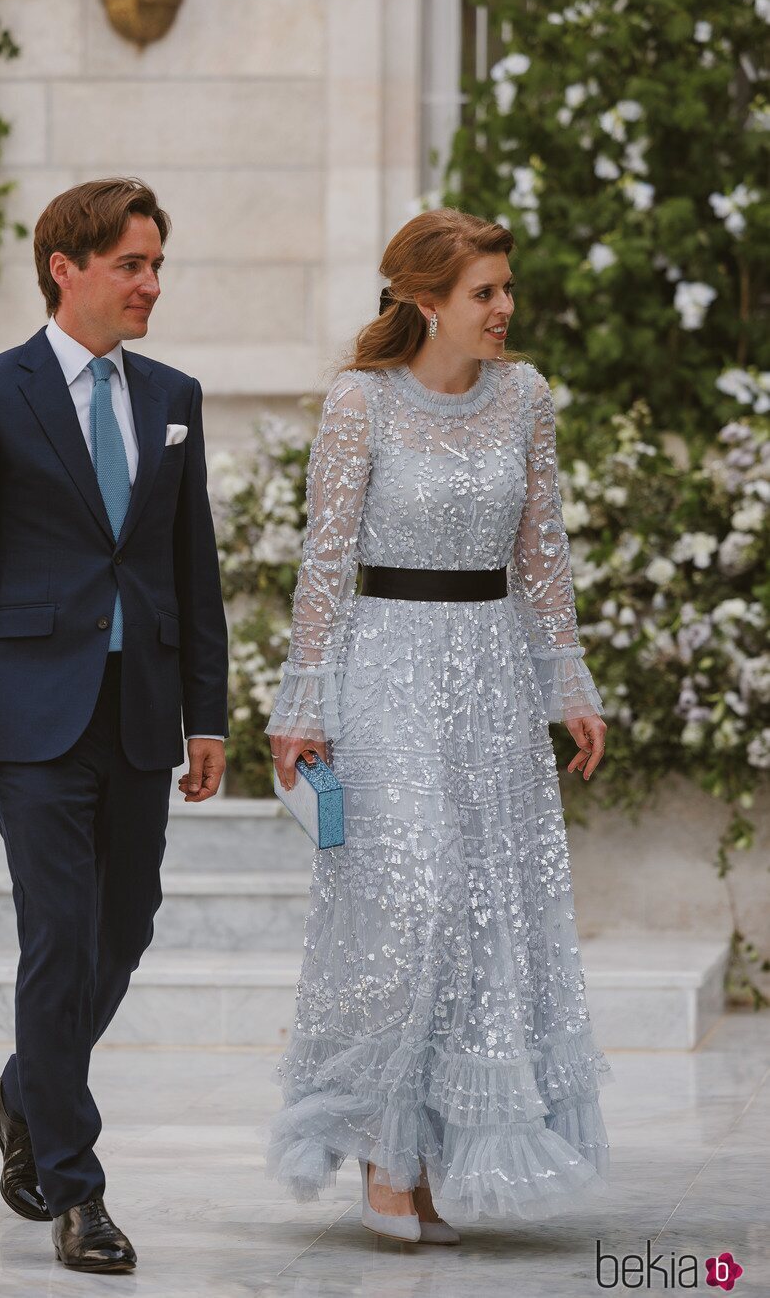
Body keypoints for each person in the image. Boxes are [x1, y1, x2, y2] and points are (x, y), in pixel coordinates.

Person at [266, 207, 611, 1243]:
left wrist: (571, 686)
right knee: (409, 902)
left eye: (505, 288)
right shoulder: (358, 401)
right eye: (483, 293)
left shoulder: (525, 397)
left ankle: (432, 1159)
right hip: (386, 669)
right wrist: (302, 703)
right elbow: (324, 561)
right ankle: (380, 1147)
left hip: (492, 673)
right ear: (425, 301)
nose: (504, 307)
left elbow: (540, 548)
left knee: (478, 914)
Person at [0, 178, 229, 1275]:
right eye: (132, 264)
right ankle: (76, 1186)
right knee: (59, 930)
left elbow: (195, 574)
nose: (149, 284)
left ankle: (19, 1088)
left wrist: (208, 715)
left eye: (155, 266)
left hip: (140, 711)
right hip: (31, 715)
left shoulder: (175, 394)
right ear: (66, 267)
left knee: (124, 923)